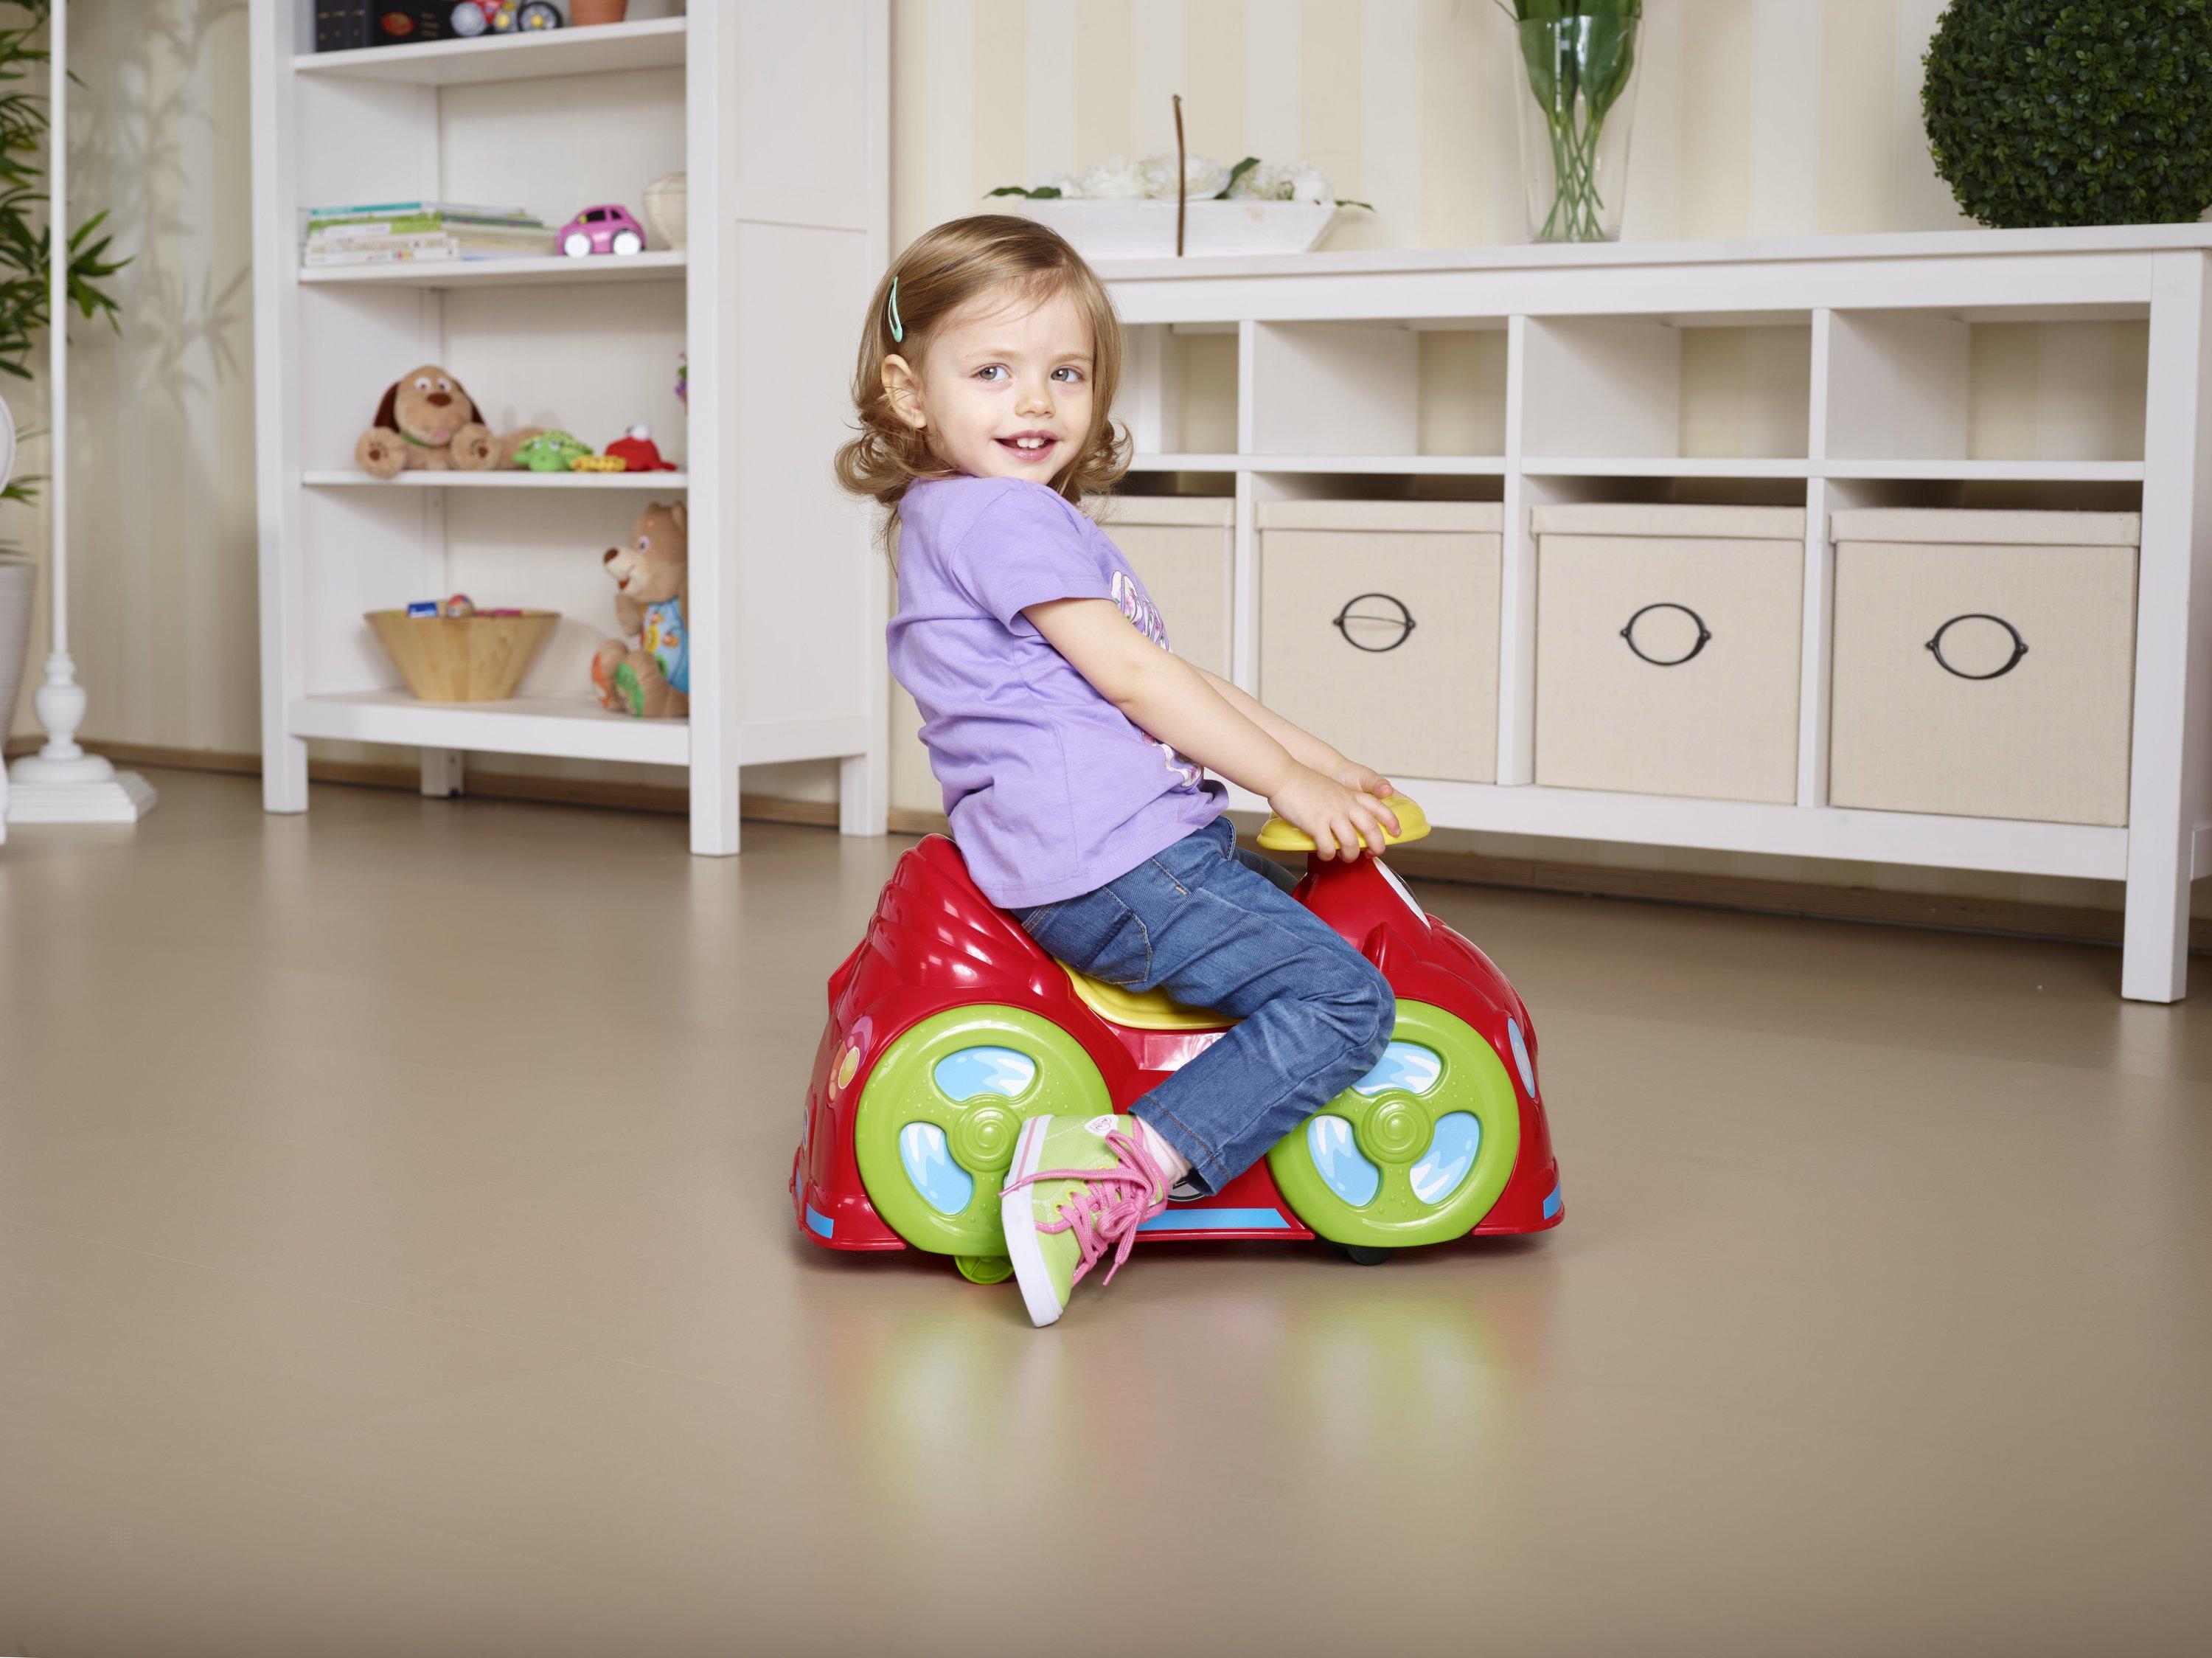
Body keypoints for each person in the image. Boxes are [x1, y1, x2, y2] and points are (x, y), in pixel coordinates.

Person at [836, 215, 1401, 1327]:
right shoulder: (1005, 517)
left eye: (1066, 373)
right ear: (908, 392)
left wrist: (1319, 759)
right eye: (991, 372)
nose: (1035, 402)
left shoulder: (966, 515)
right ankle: (1117, 1169)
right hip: (1118, 862)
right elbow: (1140, 680)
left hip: (1100, 851)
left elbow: (1165, 674)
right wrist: (1288, 787)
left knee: (1299, 921)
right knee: (1343, 997)